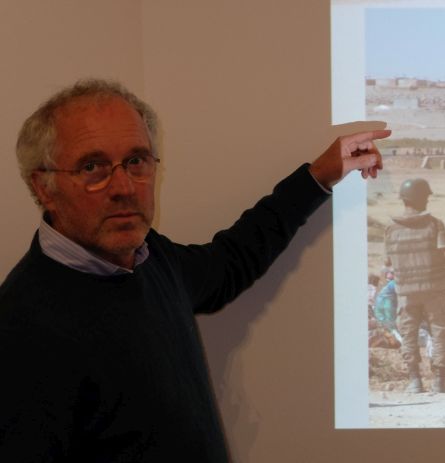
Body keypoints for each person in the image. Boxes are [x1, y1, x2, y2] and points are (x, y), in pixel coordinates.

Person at [0, 79, 390, 461]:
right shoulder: (20, 329)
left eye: (136, 161)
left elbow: (231, 261)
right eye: (92, 167)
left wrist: (318, 176)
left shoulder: (150, 257)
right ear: (45, 186)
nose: (124, 186)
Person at [385, 178, 445, 393]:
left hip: (405, 292)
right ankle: (439, 381)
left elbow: (388, 262)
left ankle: (414, 380)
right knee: (440, 331)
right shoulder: (434, 224)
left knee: (409, 334)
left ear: (404, 199)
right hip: (433, 288)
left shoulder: (391, 229)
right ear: (423, 198)